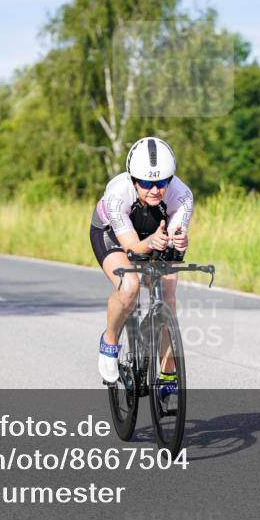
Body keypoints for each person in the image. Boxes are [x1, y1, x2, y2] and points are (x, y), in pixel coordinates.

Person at [90, 137, 193, 401]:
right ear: (133, 179)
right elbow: (133, 249)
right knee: (130, 286)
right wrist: (151, 243)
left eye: (162, 182)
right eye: (146, 183)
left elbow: (175, 242)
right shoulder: (117, 194)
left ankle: (168, 376)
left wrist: (179, 241)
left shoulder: (182, 195)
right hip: (112, 234)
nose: (155, 190)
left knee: (168, 298)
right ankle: (110, 341)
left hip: (154, 234)